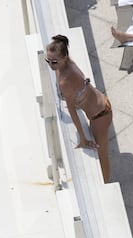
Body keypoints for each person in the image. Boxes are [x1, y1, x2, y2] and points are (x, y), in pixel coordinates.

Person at [46, 35, 113, 183]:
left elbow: (72, 112)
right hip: (99, 105)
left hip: (100, 115)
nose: (51, 64)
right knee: (101, 153)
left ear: (65, 57)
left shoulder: (66, 79)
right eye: (48, 60)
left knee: (102, 155)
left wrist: (83, 138)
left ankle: (107, 184)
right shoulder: (65, 65)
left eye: (54, 61)